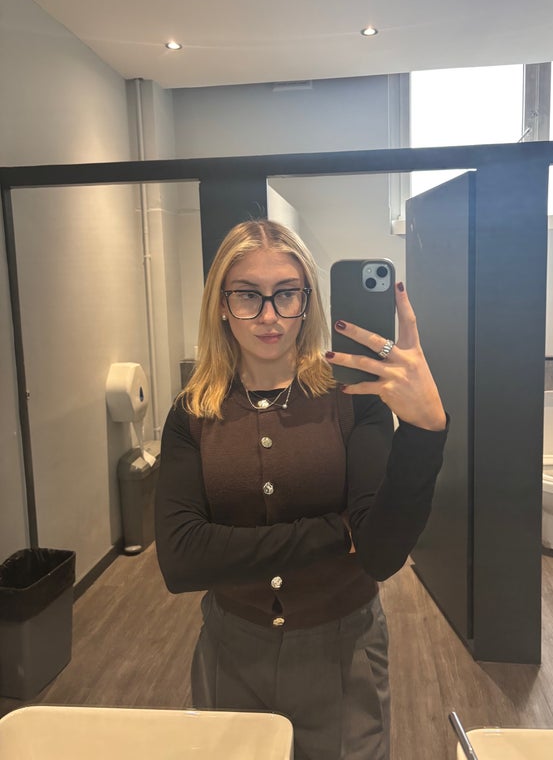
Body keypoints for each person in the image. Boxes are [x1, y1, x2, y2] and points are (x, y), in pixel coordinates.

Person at [155, 219, 448, 760]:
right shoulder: (192, 413)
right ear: (221, 305)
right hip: (230, 653)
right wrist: (337, 532)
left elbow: (380, 553)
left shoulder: (353, 398)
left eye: (286, 294)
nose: (269, 316)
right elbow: (181, 560)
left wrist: (425, 434)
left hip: (343, 652)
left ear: (307, 301)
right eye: (248, 295)